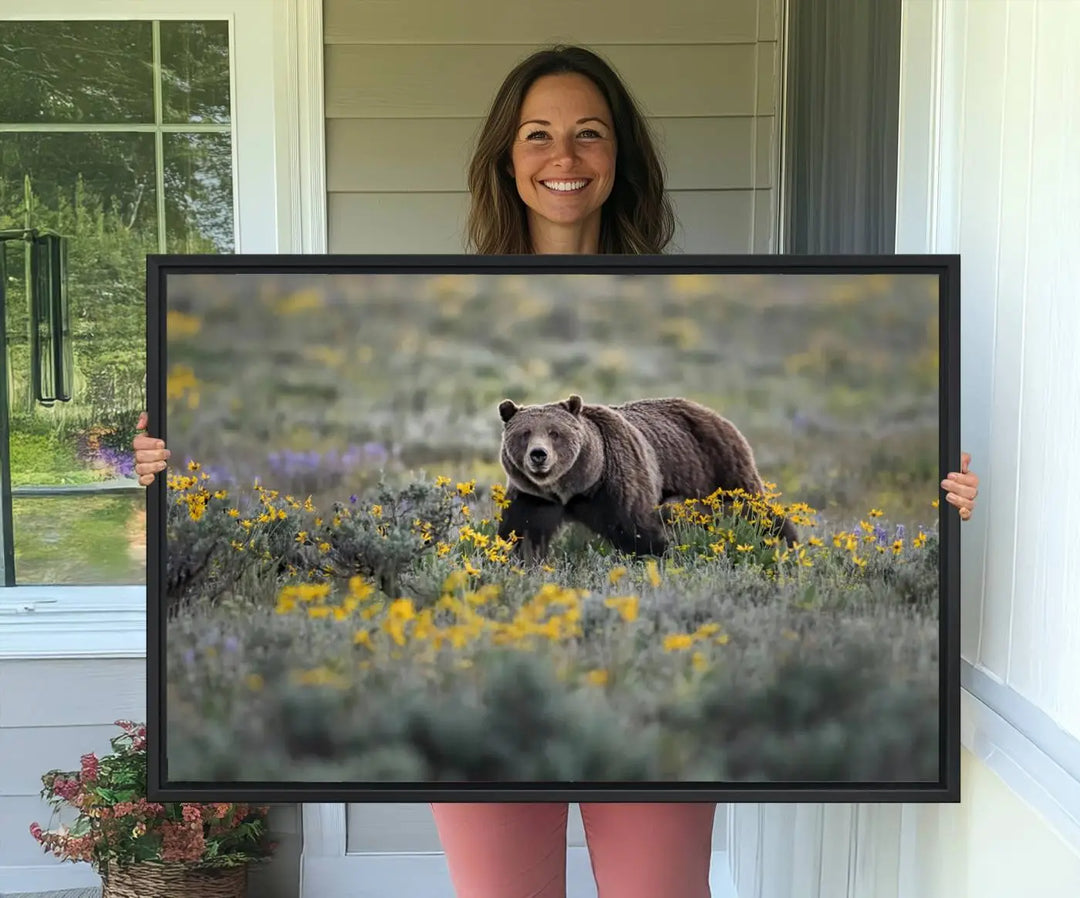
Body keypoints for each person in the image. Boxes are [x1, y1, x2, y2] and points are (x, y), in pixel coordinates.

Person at [132, 45, 980, 898]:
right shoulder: (436, 295)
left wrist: (944, 506)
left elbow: (652, 534)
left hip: (654, 695)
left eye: (589, 134)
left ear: (620, 158)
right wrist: (169, 466)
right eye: (537, 135)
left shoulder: (680, 335)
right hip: (490, 707)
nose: (563, 157)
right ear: (507, 156)